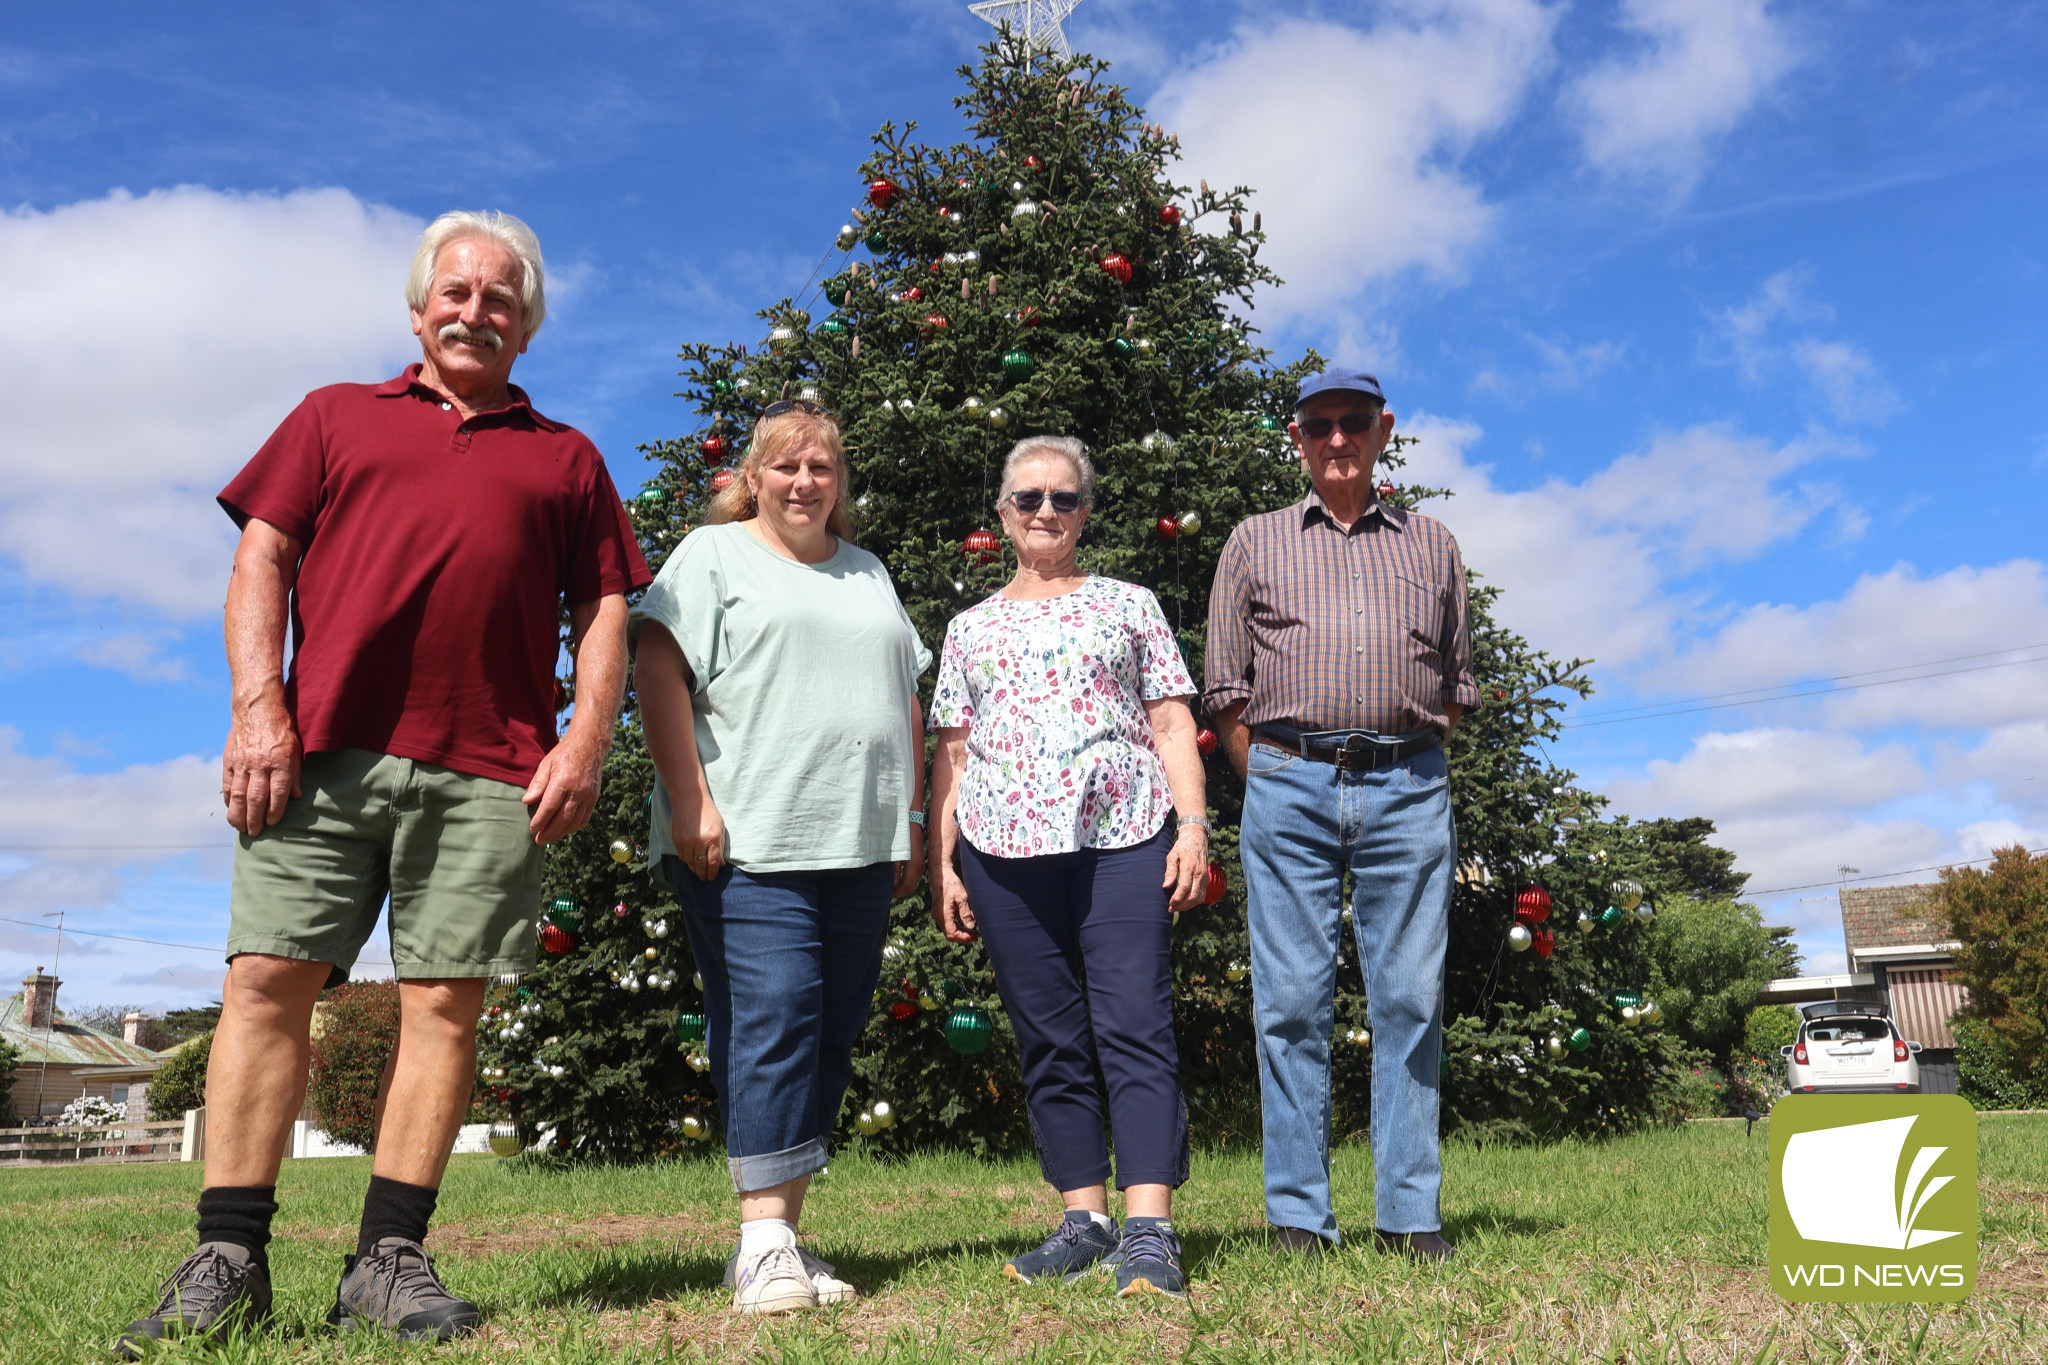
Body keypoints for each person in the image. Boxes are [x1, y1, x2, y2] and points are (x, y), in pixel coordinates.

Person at [117, 211, 649, 1357]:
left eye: (499, 299)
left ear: (527, 326)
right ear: (418, 311)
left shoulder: (567, 458)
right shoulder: (332, 416)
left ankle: (387, 1261)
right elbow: (262, 553)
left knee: (444, 1005)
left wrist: (586, 741)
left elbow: (604, 606)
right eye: (455, 293)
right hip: (321, 754)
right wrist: (259, 706)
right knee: (266, 983)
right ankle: (228, 1257)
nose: (474, 310)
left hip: (492, 768)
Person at [632, 401, 928, 1316]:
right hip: (750, 833)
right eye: (786, 466)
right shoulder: (713, 555)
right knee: (774, 1015)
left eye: (822, 468)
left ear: (841, 485)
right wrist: (690, 799)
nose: (805, 482)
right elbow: (656, 663)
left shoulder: (868, 571)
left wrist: (908, 816)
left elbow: (903, 693)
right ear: (752, 477)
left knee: (828, 1031)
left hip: (860, 840)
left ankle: (776, 1241)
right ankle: (763, 1240)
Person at [1203, 369, 1478, 1262]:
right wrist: (1275, 778)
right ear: (1297, 437)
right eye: (1318, 425)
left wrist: (1411, 761)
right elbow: (1225, 690)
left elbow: (1456, 680)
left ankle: (1408, 1215)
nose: (1335, 439)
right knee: (1288, 1002)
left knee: (1408, 996)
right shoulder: (1253, 541)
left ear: (1382, 429)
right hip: (1290, 783)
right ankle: (1298, 1219)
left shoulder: (1432, 544)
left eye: (1352, 422)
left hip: (1408, 785)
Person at [928, 435, 1210, 1299]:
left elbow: (1170, 726)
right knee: (1048, 1034)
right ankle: (1083, 1219)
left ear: (1085, 511)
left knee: (1133, 1021)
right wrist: (944, 862)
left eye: (1063, 498)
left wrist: (1193, 825)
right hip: (1002, 852)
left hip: (1123, 834)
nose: (1045, 511)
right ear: (1003, 514)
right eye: (1028, 498)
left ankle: (1151, 1230)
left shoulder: (1130, 604)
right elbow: (955, 755)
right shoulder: (968, 627)